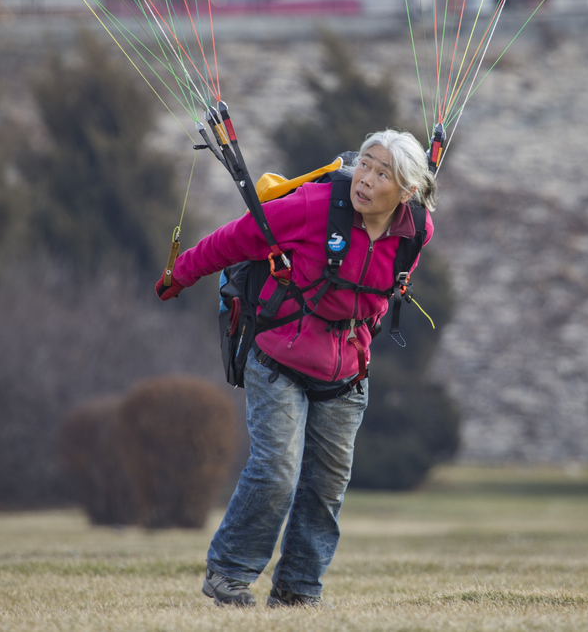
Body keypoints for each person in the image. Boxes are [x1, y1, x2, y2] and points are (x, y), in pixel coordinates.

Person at [155, 129, 436, 608]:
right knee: (277, 471)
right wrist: (179, 273)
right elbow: (234, 239)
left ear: (406, 192)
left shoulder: (417, 232)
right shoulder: (313, 206)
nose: (364, 179)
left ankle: (298, 590)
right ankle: (229, 574)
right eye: (364, 164)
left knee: (326, 487)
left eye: (381, 173)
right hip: (280, 357)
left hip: (347, 371)